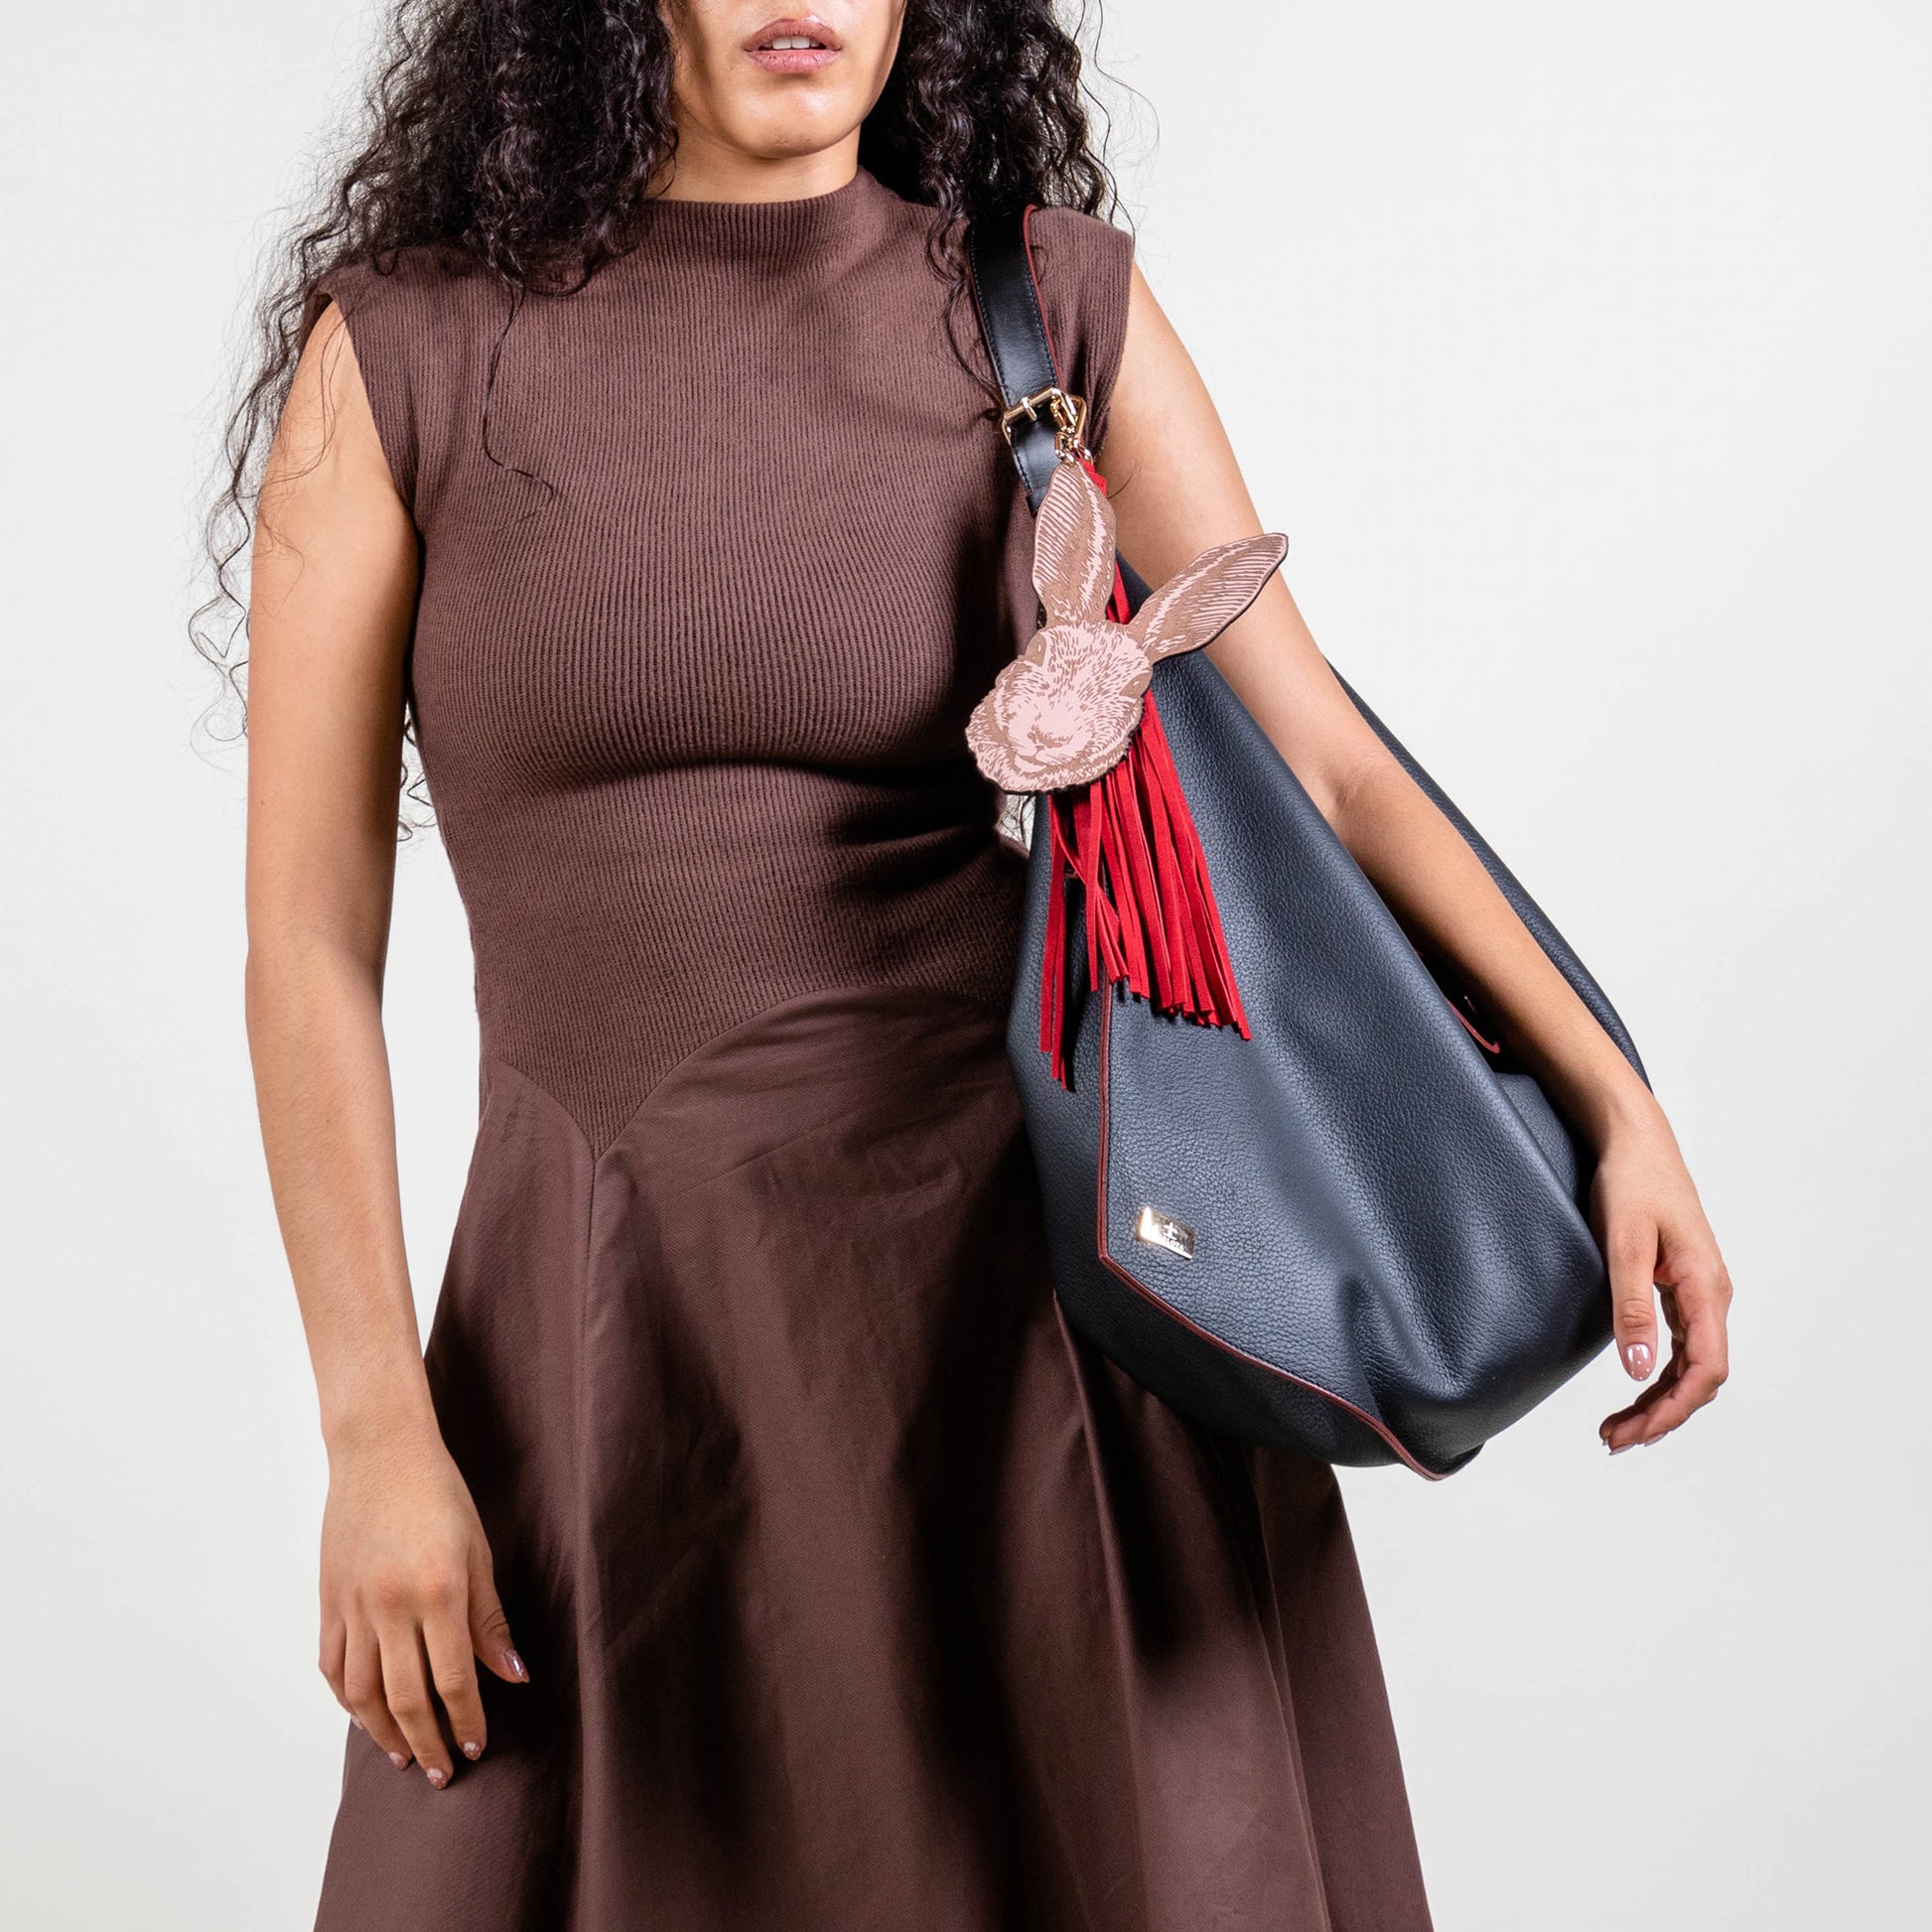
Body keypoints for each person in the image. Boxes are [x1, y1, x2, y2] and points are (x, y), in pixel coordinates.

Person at [225, 3, 1732, 1925]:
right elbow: (306, 939)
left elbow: (1327, 766)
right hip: (614, 1347)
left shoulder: (1047, 309)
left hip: (1045, 1353)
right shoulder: (402, 356)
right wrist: (374, 1428)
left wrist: (1614, 1094)